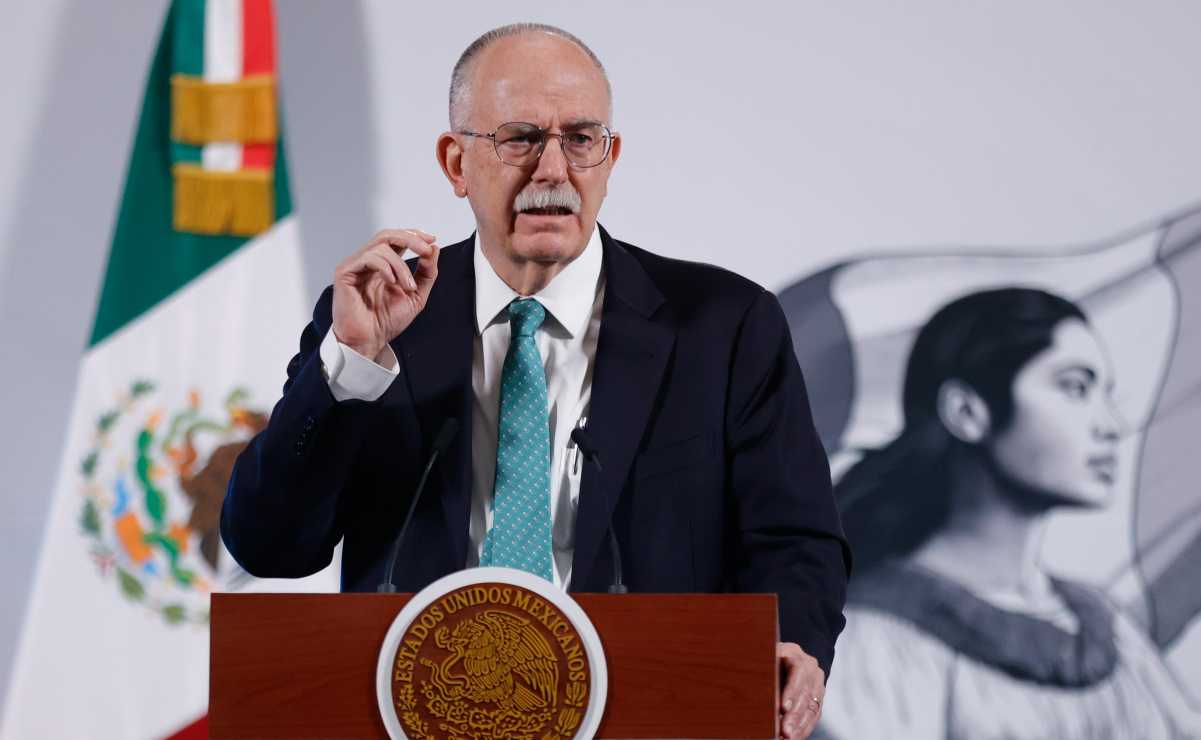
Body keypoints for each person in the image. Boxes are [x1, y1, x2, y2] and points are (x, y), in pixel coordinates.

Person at [220, 23, 850, 738]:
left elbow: (798, 538)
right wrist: (350, 364)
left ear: (609, 160)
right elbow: (269, 544)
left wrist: (796, 639)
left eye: (581, 139)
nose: (552, 169)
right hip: (418, 712)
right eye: (519, 138)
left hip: (648, 713)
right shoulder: (382, 318)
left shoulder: (723, 324)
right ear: (456, 163)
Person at [815, 287, 1201, 739]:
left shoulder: (1108, 629)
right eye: (1075, 388)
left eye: (1105, 394)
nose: (1111, 425)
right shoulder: (867, 638)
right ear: (967, 411)